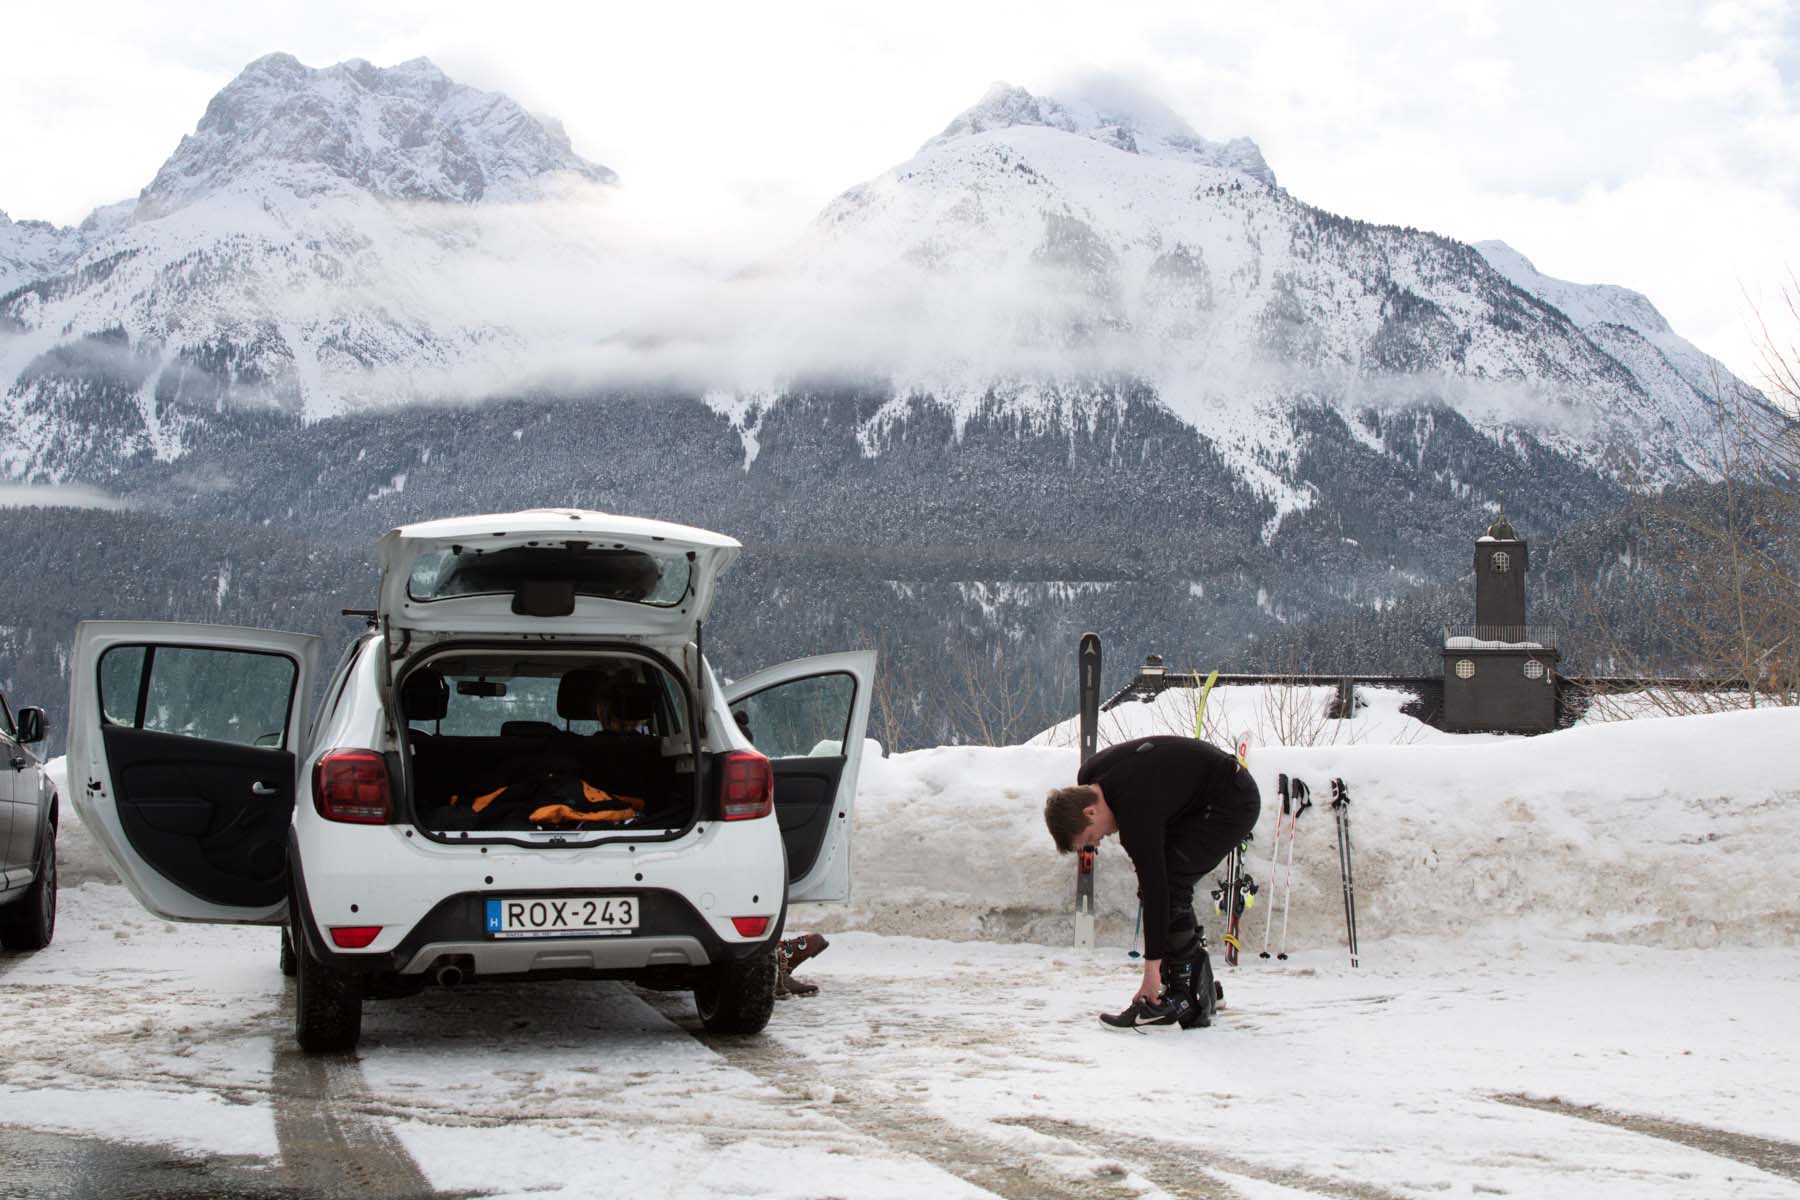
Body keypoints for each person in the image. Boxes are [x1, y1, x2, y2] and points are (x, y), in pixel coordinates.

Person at [1044, 735, 1260, 1030]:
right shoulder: (1091, 777)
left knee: (1171, 883)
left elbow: (1156, 892)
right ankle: (1201, 987)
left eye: (1092, 837)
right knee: (1167, 881)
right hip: (1203, 793)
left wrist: (1150, 972)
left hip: (1232, 802)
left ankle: (1186, 999)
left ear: (1090, 811)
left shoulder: (1135, 811)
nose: (1099, 842)